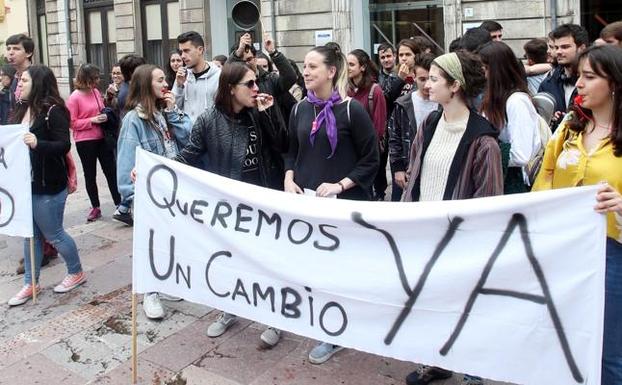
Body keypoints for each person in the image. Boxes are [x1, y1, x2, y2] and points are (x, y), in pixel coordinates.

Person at [402, 51, 503, 385]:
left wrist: (469, 247)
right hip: (424, 235)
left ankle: (475, 371)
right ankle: (437, 361)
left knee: (466, 307)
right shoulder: (431, 123)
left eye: (434, 79)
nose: (427, 85)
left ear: (455, 85)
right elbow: (416, 174)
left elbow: (488, 204)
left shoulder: (482, 140)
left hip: (460, 244)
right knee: (431, 302)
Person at [173, 62, 288, 339]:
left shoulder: (259, 112)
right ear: (229, 88)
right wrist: (154, 169)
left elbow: (283, 146)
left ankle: (274, 320)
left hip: (263, 198)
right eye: (249, 84)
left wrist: (271, 114)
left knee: (265, 261)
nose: (256, 88)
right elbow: (188, 156)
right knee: (230, 259)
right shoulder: (208, 120)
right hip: (229, 205)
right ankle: (229, 308)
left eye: (256, 82)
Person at [532, 44, 622, 385]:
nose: (578, 85)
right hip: (563, 249)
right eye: (579, 76)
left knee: (608, 352)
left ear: (613, 83)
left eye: (588, 77)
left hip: (612, 254)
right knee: (564, 340)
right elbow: (544, 181)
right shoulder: (570, 127)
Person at [283, 45, 379, 363]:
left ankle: (336, 331)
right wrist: (288, 176)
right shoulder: (299, 109)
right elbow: (290, 149)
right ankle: (324, 320)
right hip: (309, 205)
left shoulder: (352, 111)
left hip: (345, 206)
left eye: (312, 66)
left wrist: (341, 185)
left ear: (331, 72)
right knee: (315, 267)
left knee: (342, 270)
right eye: (304, 66)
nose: (306, 71)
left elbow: (371, 160)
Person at [117, 64, 192, 319]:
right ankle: (150, 293)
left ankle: (164, 284)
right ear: (146, 84)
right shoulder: (133, 120)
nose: (165, 84)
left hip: (170, 191)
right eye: (160, 80)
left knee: (169, 242)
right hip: (149, 197)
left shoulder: (162, 113)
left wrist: (173, 112)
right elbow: (126, 164)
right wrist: (133, 197)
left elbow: (187, 138)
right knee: (150, 245)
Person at [8, 65, 87, 306]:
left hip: (49, 185)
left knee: (53, 234)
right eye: (19, 81)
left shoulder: (54, 111)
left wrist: (37, 143)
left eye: (24, 81)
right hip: (24, 186)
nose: (19, 84)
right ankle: (31, 283)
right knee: (29, 236)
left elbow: (63, 145)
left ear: (39, 83)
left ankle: (76, 272)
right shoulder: (20, 109)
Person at [479, 41, 542, 194]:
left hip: (514, 181)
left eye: (487, 69)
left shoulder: (516, 101)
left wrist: (484, 155)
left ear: (497, 70)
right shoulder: (494, 100)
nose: (485, 75)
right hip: (499, 177)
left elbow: (521, 154)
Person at [67, 64, 121, 222]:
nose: (98, 81)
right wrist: (92, 120)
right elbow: (72, 122)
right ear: (86, 78)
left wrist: (105, 110)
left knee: (111, 171)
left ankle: (119, 203)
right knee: (90, 174)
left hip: (102, 137)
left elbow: (102, 108)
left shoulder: (96, 92)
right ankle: (95, 206)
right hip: (85, 140)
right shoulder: (74, 97)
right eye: (95, 78)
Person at [388, 52, 438, 201]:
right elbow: (394, 137)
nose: (427, 84)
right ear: (414, 77)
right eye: (422, 79)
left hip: (436, 168)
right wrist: (397, 168)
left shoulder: (444, 102)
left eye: (432, 79)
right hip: (409, 168)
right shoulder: (403, 103)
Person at [228, 32, 298, 122]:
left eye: (249, 59)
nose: (246, 64)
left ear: (255, 59)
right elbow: (225, 76)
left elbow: (290, 77)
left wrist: (273, 52)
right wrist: (238, 52)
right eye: (241, 61)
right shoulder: (231, 85)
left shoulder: (269, 79)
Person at [347, 49, 387, 200]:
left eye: (352, 64)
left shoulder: (375, 91)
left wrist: (370, 154)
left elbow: (379, 128)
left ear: (362, 67)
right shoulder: (346, 90)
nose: (348, 67)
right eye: (347, 64)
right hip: (349, 151)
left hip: (368, 152)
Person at [538, 23, 589, 129]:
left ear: (582, 48)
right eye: (556, 47)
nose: (558, 52)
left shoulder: (595, 82)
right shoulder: (547, 84)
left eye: (565, 47)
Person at [173, 31, 221, 123]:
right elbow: (174, 108)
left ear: (200, 50)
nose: (182, 56)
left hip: (210, 134)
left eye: (186, 51)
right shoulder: (182, 76)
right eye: (181, 52)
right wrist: (179, 86)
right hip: (188, 135)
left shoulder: (218, 76)